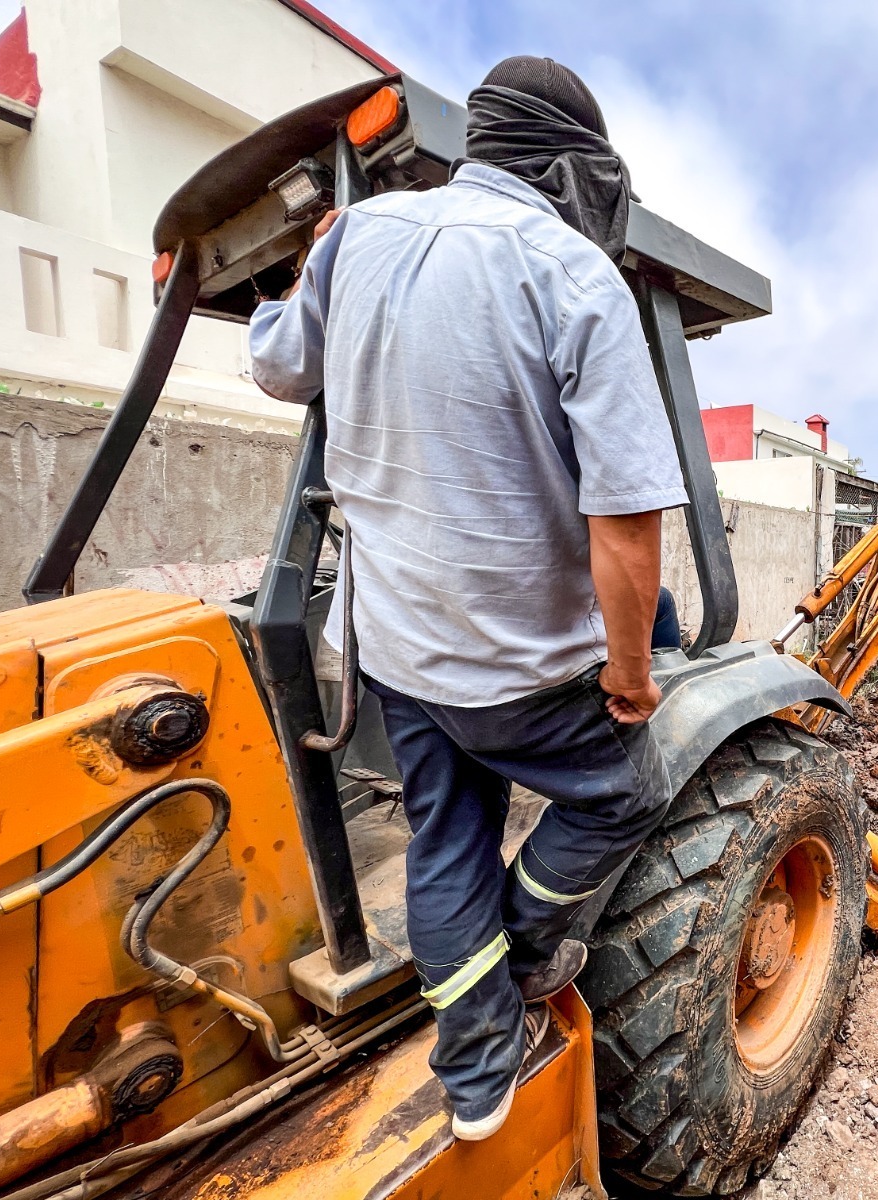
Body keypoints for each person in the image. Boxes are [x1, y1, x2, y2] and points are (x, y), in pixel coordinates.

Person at [248, 56, 685, 1142]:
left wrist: (309, 278)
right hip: (518, 666)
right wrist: (629, 679)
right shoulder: (576, 275)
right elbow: (627, 523)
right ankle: (532, 948)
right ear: (571, 166)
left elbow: (276, 365)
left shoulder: (359, 237)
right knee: (623, 790)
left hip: (394, 647)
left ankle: (478, 1078)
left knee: (446, 838)